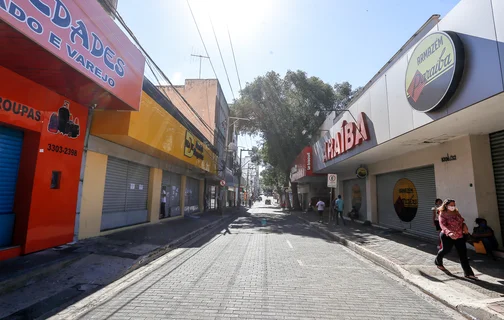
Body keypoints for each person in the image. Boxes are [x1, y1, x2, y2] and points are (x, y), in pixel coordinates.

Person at [435, 199, 477, 280]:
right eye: (451, 205)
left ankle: (468, 273)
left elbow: (461, 221)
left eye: (454, 205)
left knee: (463, 254)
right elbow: (443, 225)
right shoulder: (442, 214)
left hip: (459, 236)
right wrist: (449, 233)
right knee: (445, 250)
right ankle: (438, 260)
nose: (453, 206)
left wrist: (464, 226)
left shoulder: (456, 212)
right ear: (446, 205)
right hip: (447, 236)